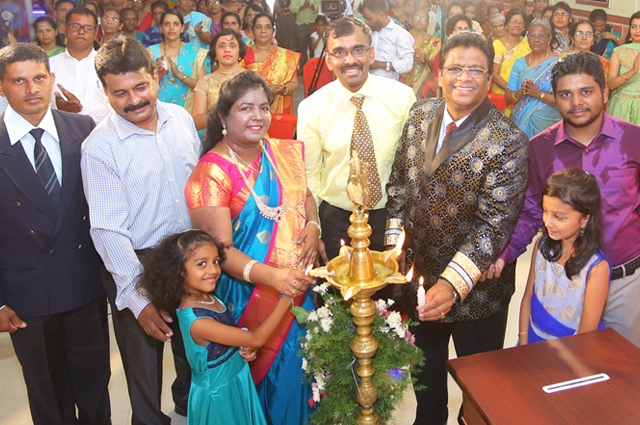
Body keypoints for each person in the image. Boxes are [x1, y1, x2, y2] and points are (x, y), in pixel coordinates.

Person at [385, 32, 528, 425]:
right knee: (425, 388)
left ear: (489, 76)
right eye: (455, 68)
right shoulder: (419, 114)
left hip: (477, 293)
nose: (464, 77)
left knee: (479, 393)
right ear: (440, 72)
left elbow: (493, 225)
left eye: (475, 70)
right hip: (417, 286)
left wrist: (449, 286)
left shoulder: (509, 140)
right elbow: (398, 186)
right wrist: (394, 256)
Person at [185, 71, 317, 424]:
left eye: (263, 107)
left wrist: (314, 227)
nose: (258, 116)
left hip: (297, 288)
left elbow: (305, 196)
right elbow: (220, 252)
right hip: (249, 297)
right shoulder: (211, 173)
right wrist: (272, 277)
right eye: (246, 108)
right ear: (223, 118)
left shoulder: (280, 152)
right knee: (269, 383)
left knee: (304, 375)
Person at [83, 37, 202, 424]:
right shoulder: (99, 146)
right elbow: (106, 230)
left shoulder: (180, 118)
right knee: (144, 372)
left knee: (195, 355)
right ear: (105, 91)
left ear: (156, 75)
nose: (133, 100)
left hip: (189, 258)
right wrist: (137, 297)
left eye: (140, 87)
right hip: (138, 263)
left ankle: (192, 411)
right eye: (120, 93)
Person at [488, 51, 640, 348]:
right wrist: (501, 255)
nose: (577, 102)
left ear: (605, 91)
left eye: (586, 92)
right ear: (554, 99)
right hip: (561, 283)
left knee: (624, 376)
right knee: (562, 373)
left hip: (624, 283)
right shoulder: (540, 148)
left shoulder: (634, 141)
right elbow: (531, 215)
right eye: (566, 94)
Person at [0, 42, 110, 425]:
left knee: (95, 386)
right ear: (2, 87)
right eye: (19, 81)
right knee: (48, 394)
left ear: (52, 80)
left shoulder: (82, 129)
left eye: (39, 79)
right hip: (25, 298)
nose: (32, 89)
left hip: (83, 285)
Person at [298, 16, 415, 282]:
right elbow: (310, 177)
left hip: (389, 219)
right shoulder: (312, 107)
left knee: (386, 309)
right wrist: (314, 227)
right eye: (339, 52)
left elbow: (412, 171)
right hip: (336, 222)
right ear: (328, 59)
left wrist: (400, 231)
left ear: (371, 53)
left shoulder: (401, 97)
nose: (349, 60)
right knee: (336, 306)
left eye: (357, 50)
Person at [139, 230, 295, 425]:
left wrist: (241, 346)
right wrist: (288, 298)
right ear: (179, 271)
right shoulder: (197, 321)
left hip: (236, 382)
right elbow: (257, 338)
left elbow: (231, 339)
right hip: (219, 396)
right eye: (201, 264)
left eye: (215, 261)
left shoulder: (207, 297)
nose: (213, 270)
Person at [519, 169, 609, 345]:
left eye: (559, 217)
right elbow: (528, 298)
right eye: (545, 211)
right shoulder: (542, 246)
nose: (547, 222)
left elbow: (586, 335)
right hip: (531, 341)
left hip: (572, 351)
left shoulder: (596, 268)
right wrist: (522, 342)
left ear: (584, 220)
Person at [49, 7, 112, 125]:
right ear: (65, 29)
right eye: (75, 26)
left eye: (88, 28)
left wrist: (80, 109)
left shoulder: (111, 64)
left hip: (104, 132)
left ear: (95, 33)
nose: (81, 32)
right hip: (61, 133)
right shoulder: (49, 65)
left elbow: (119, 104)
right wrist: (59, 110)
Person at [506, 19, 561, 139]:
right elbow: (509, 98)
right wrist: (523, 91)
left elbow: (562, 100)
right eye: (532, 36)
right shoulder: (519, 63)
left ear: (549, 38)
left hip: (548, 127)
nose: (536, 40)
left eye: (541, 36)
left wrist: (538, 94)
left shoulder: (559, 64)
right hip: (521, 124)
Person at [148, 9, 210, 113]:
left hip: (187, 113)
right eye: (167, 24)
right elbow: (143, 87)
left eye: (176, 24)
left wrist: (179, 75)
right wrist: (159, 74)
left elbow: (203, 87)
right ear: (161, 28)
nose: (171, 28)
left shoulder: (195, 52)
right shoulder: (150, 53)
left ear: (182, 28)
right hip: (158, 113)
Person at [191, 29, 247, 130]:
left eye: (232, 45)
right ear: (215, 53)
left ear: (239, 52)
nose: (227, 49)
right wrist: (220, 113)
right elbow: (196, 123)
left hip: (248, 138)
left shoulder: (252, 79)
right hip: (216, 140)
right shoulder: (205, 82)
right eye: (222, 46)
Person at [245, 13, 300, 114]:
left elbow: (294, 83)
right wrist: (265, 90)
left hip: (280, 112)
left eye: (268, 27)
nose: (263, 31)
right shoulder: (244, 55)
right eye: (258, 27)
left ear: (273, 31)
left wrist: (284, 88)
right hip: (251, 111)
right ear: (253, 30)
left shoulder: (286, 56)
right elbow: (239, 86)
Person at [361, 0, 414, 81]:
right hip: (366, 84)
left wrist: (380, 64)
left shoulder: (400, 34)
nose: (366, 22)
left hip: (389, 87)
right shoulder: (368, 32)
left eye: (369, 18)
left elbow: (407, 64)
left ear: (380, 14)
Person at [607, 11, 640, 126]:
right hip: (620, 106)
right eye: (634, 26)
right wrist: (632, 71)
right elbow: (611, 84)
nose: (637, 31)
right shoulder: (619, 51)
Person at [491, 8, 530, 98]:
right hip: (502, 94)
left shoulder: (528, 43)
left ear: (524, 26)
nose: (517, 25)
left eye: (520, 22)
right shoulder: (498, 44)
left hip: (525, 94)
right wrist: (512, 91)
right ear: (506, 25)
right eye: (513, 21)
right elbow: (495, 74)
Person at [400, 8, 440, 96]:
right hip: (401, 84)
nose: (419, 20)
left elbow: (436, 67)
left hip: (421, 88)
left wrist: (425, 57)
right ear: (411, 20)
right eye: (417, 17)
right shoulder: (401, 37)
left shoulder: (434, 43)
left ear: (427, 24)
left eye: (423, 19)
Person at [290, 0, 321, 72]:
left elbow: (320, 7)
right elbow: (292, 9)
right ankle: (302, 69)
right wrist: (303, 7)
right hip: (301, 25)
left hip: (313, 24)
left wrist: (311, 5)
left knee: (313, 49)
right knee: (301, 48)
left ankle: (313, 68)